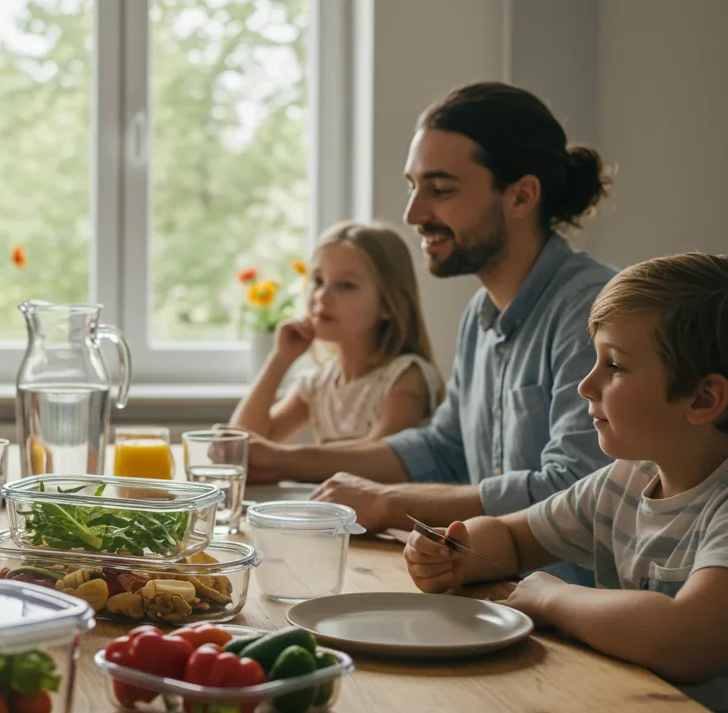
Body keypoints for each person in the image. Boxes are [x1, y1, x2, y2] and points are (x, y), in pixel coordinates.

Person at [404, 253, 728, 713]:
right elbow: (510, 539)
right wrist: (456, 548)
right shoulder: (624, 482)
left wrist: (552, 599)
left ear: (703, 400)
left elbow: (690, 640)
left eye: (613, 365)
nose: (585, 385)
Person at [246, 82, 617, 546]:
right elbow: (444, 449)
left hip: (562, 605)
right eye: (413, 187)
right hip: (493, 592)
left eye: (439, 189)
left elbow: (573, 489)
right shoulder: (480, 315)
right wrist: (280, 460)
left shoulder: (594, 311)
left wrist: (388, 503)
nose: (413, 213)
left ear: (521, 197)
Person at [230, 221, 443, 446]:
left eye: (345, 286)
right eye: (318, 281)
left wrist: (289, 460)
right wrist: (279, 360)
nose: (322, 296)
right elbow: (238, 446)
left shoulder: (405, 378)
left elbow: (378, 457)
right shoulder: (318, 385)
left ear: (387, 305)